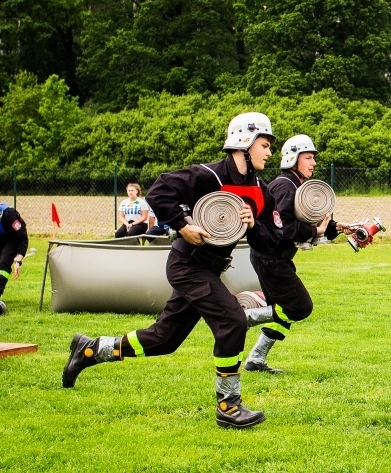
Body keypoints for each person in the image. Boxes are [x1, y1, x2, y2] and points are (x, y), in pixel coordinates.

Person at [62, 112, 284, 430]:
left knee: (164, 339)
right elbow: (160, 191)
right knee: (233, 320)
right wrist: (182, 225)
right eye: (265, 144)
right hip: (187, 265)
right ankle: (228, 406)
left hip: (211, 268)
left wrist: (252, 225)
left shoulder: (261, 189)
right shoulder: (209, 175)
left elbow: (271, 239)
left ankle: (91, 349)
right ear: (244, 143)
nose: (269, 152)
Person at [244, 134, 350, 373]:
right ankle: (244, 317)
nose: (313, 163)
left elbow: (304, 223)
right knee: (300, 307)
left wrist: (338, 228)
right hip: (269, 258)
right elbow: (284, 227)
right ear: (293, 158)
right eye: (308, 158)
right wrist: (316, 229)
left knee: (285, 311)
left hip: (274, 258)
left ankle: (256, 360)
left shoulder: (295, 184)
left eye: (313, 158)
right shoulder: (284, 185)